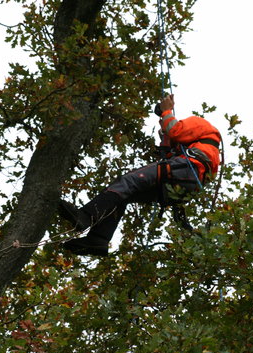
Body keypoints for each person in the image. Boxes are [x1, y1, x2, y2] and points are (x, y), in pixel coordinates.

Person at [58, 94, 221, 256]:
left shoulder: (199, 124)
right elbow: (169, 146)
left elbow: (175, 130)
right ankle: (98, 240)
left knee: (127, 181)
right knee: (125, 195)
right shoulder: (196, 152)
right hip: (181, 185)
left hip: (184, 170)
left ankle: (86, 216)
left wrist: (167, 111)